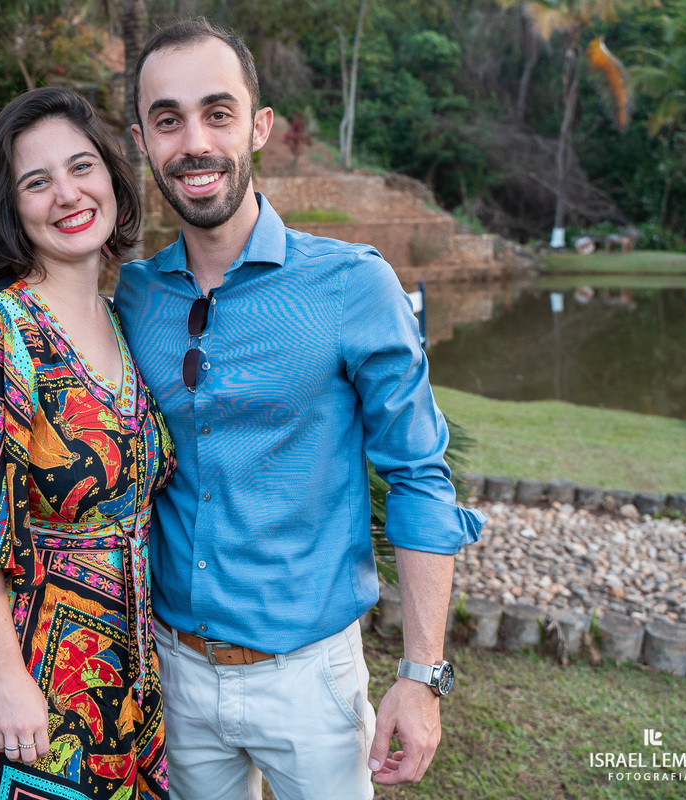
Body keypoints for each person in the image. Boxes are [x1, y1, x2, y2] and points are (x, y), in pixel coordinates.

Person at [114, 19, 487, 800]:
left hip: (312, 681)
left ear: (259, 127)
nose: (194, 142)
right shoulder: (136, 296)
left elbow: (420, 477)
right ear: (143, 139)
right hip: (174, 674)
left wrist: (421, 676)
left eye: (218, 113)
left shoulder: (353, 286)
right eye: (168, 118)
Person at [0, 87, 176, 800]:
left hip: (127, 668)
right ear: (11, 208)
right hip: (31, 670)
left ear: (112, 181)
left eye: (82, 167)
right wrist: (8, 680)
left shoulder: (123, 325)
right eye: (37, 181)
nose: (67, 194)